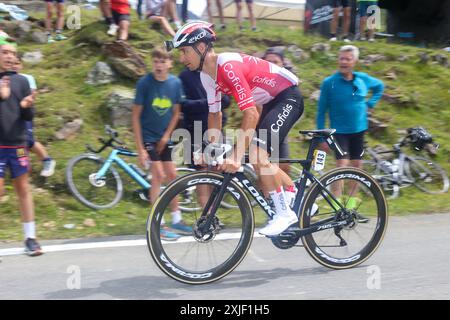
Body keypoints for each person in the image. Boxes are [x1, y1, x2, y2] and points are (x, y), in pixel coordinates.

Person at [167, 21, 303, 236]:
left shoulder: (227, 66)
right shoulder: (206, 75)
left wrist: (236, 157)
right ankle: (298, 198)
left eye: (184, 51)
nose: (181, 58)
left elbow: (251, 114)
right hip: (270, 101)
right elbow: (215, 114)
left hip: (287, 97)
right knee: (259, 156)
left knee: (257, 154)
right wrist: (212, 149)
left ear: (201, 47)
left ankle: (285, 214)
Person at [132, 47, 191, 241]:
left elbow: (176, 113)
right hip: (148, 137)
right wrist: (140, 148)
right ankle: (157, 223)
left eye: (162, 62)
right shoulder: (144, 84)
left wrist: (167, 136)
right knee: (157, 175)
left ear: (170, 64)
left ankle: (177, 219)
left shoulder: (175, 83)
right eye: (155, 61)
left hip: (165, 137)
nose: (159, 65)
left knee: (172, 175)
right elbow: (135, 116)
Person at [316, 45, 384, 210]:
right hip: (338, 132)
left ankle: (352, 204)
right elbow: (321, 110)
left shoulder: (362, 79)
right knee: (342, 166)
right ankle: (336, 204)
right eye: (341, 58)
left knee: (357, 167)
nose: (344, 62)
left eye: (348, 59)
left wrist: (371, 104)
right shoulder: (329, 83)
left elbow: (379, 87)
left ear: (355, 61)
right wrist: (320, 136)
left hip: (358, 131)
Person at [0, 40, 42, 256]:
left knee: (23, 189)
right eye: (5, 52)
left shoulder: (22, 81)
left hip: (17, 143)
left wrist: (26, 107)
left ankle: (30, 238)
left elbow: (28, 116)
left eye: (12, 53)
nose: (9, 56)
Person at [178, 67, 230, 207]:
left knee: (216, 171)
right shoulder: (184, 76)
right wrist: (209, 103)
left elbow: (227, 100)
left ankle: (212, 214)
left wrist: (211, 103)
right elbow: (183, 105)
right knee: (201, 173)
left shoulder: (215, 72)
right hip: (193, 131)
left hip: (216, 130)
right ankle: (206, 216)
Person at [11, 56, 56, 177]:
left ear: (21, 65)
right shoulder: (6, 79)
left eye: (17, 63)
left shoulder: (27, 78)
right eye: (12, 63)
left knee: (28, 140)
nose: (14, 65)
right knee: (18, 143)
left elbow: (32, 95)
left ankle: (48, 161)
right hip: (10, 116)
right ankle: (25, 167)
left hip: (24, 113)